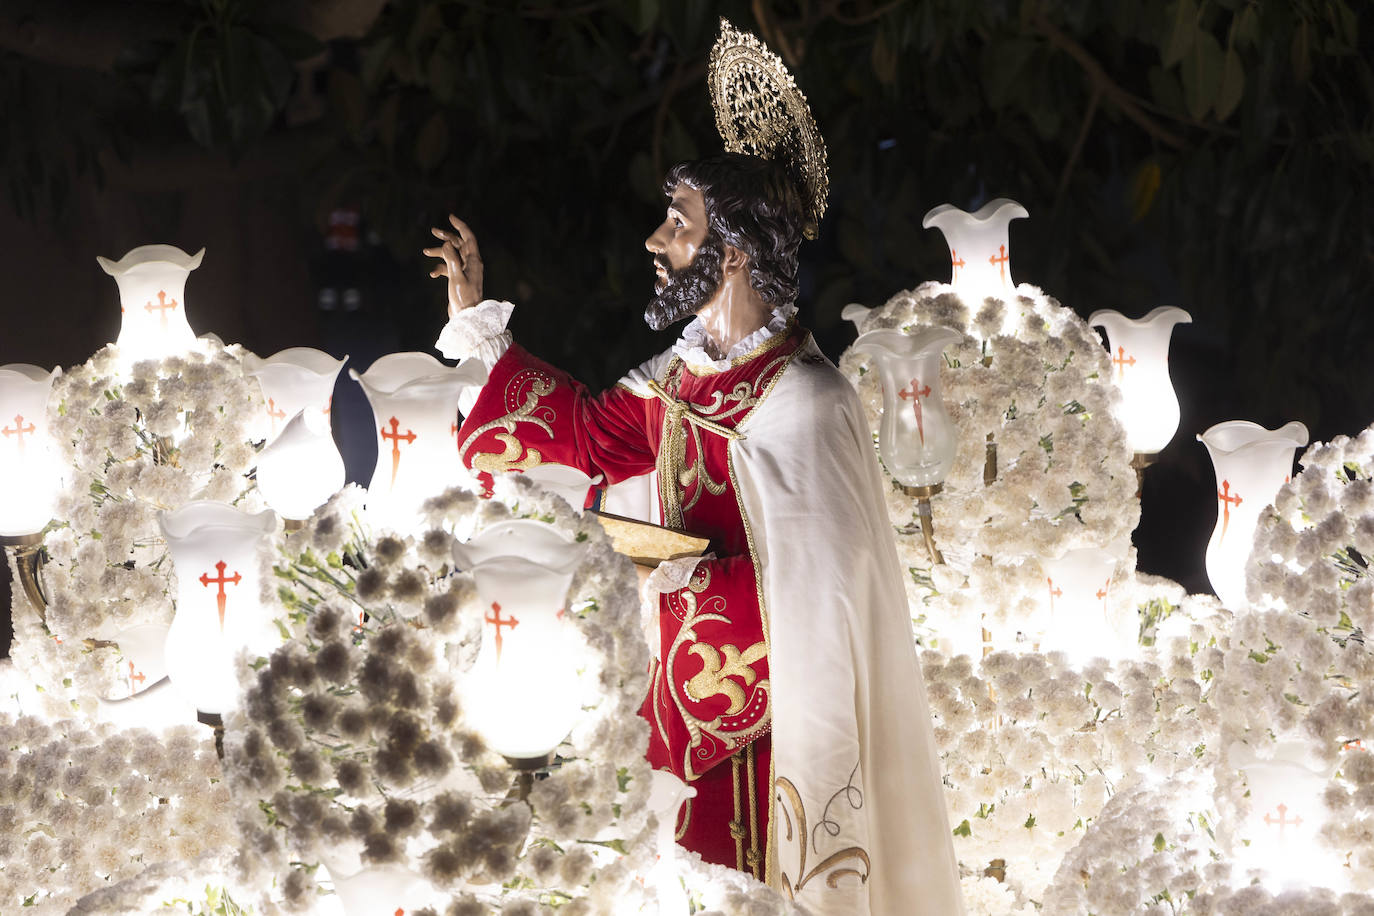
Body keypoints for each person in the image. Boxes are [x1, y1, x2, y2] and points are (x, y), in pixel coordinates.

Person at [425, 21, 963, 916]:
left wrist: (680, 586)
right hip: (674, 720)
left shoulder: (808, 403)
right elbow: (590, 440)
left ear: (736, 252)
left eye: (679, 226)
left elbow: (826, 600)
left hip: (774, 735)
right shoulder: (680, 380)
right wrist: (483, 328)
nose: (656, 241)